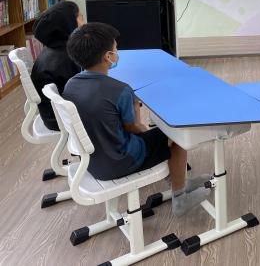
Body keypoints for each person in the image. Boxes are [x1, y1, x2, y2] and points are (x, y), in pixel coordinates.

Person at [63, 23, 209, 216]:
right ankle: (180, 196)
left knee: (157, 137)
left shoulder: (70, 84)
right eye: (116, 49)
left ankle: (179, 180)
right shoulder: (120, 90)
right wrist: (141, 121)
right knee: (176, 135)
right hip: (119, 162)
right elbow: (132, 127)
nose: (117, 53)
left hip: (91, 161)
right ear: (108, 57)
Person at [30, 1, 83, 131]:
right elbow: (82, 92)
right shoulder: (67, 59)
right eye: (80, 17)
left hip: (52, 114)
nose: (84, 20)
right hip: (60, 119)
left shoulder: (55, 49)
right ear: (69, 24)